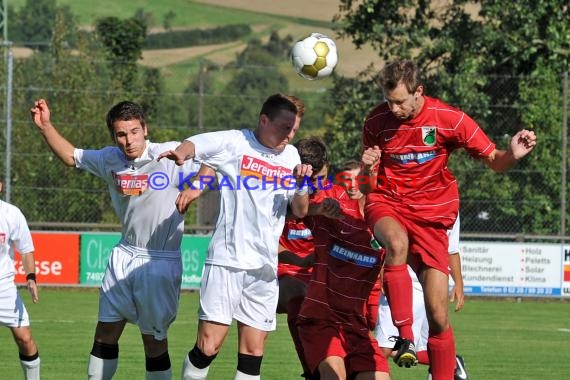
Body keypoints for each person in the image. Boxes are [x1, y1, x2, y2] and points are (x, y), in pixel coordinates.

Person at [359, 59, 537, 378]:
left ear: (419, 92)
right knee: (396, 244)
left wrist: (513, 154)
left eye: (400, 101)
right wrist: (367, 168)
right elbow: (365, 187)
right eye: (389, 101)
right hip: (387, 202)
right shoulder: (376, 121)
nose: (394, 109)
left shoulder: (449, 119)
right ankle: (407, 338)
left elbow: (495, 161)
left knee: (439, 317)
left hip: (430, 217)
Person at [31, 99, 200, 379]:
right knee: (105, 333)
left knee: (154, 343)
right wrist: (46, 126)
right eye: (121, 134)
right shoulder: (111, 158)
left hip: (158, 260)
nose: (128, 140)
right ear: (114, 136)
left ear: (145, 129)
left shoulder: (170, 155)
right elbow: (72, 156)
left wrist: (195, 189)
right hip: (123, 254)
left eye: (134, 131)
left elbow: (215, 165)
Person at [157, 93, 312, 380]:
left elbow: (300, 211)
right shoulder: (235, 142)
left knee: (253, 354)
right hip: (227, 261)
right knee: (209, 346)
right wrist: (182, 152)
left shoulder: (291, 156)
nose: (289, 135)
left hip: (264, 268)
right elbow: (197, 143)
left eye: (294, 129)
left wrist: (302, 185)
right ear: (263, 120)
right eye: (284, 127)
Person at [295, 155, 390, 380]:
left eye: (359, 179)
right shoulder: (331, 212)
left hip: (355, 324)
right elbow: (295, 210)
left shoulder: (384, 226)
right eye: (346, 180)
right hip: (321, 317)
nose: (353, 185)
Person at [375, 215, 469, 380]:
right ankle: (452, 362)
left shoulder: (451, 205)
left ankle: (451, 362)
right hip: (402, 280)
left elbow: (452, 249)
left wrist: (458, 282)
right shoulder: (404, 195)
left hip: (427, 283)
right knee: (403, 349)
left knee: (382, 350)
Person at [276, 137, 330, 379]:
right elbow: (264, 241)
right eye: (311, 180)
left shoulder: (334, 196)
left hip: (320, 276)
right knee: (298, 293)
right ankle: (311, 371)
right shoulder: (280, 193)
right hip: (281, 272)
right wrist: (300, 261)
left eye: (322, 178)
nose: (317, 186)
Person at [0, 181, 41, 380]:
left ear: (0, 186)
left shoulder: (11, 214)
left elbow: (25, 249)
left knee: (25, 338)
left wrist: (31, 277)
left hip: (3, 287)